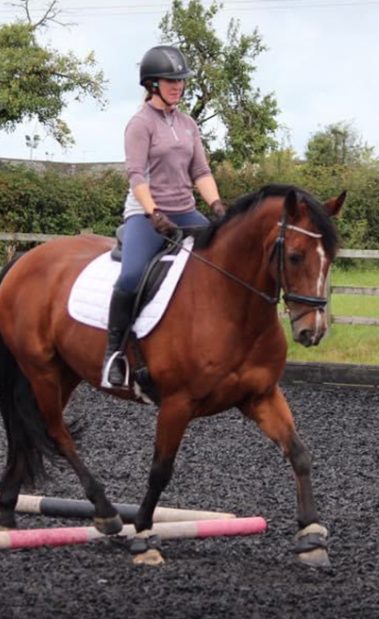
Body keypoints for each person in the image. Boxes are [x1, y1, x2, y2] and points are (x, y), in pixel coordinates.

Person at [101, 45, 225, 389]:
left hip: (185, 211)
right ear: (152, 84)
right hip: (146, 215)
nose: (178, 86)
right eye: (171, 81)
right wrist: (153, 212)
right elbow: (136, 175)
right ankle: (114, 353)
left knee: (222, 260)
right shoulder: (140, 124)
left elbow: (200, 171)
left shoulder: (188, 124)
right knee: (131, 277)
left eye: (181, 81)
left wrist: (216, 205)